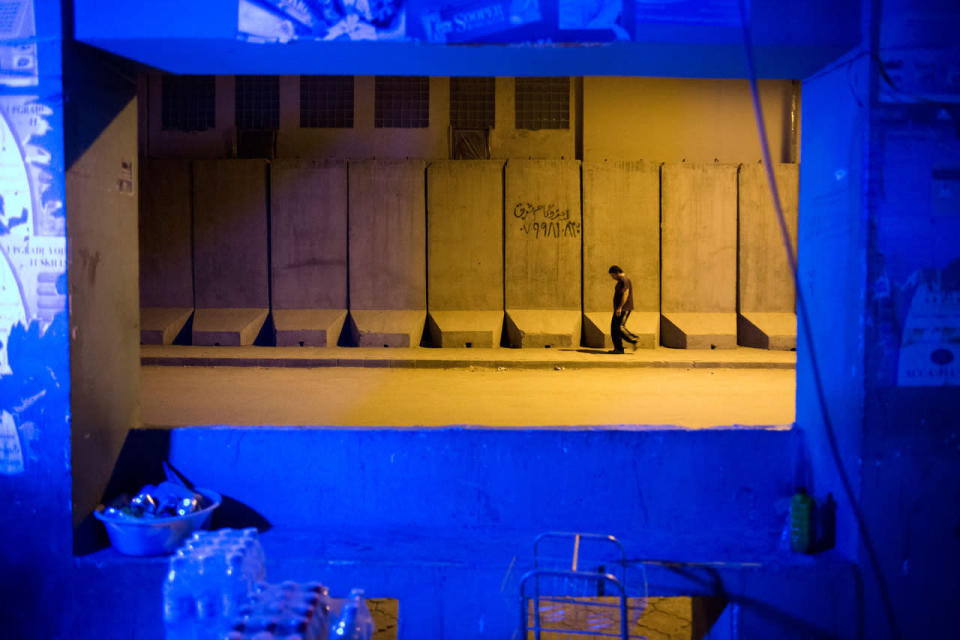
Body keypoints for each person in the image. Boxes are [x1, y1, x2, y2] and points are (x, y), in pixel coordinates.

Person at [608, 265, 638, 353]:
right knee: (614, 328)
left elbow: (626, 293)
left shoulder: (624, 280)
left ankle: (634, 339)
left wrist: (620, 307)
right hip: (620, 308)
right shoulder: (622, 280)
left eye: (612, 275)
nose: (612, 278)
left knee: (619, 327)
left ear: (616, 273)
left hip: (623, 308)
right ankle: (618, 349)